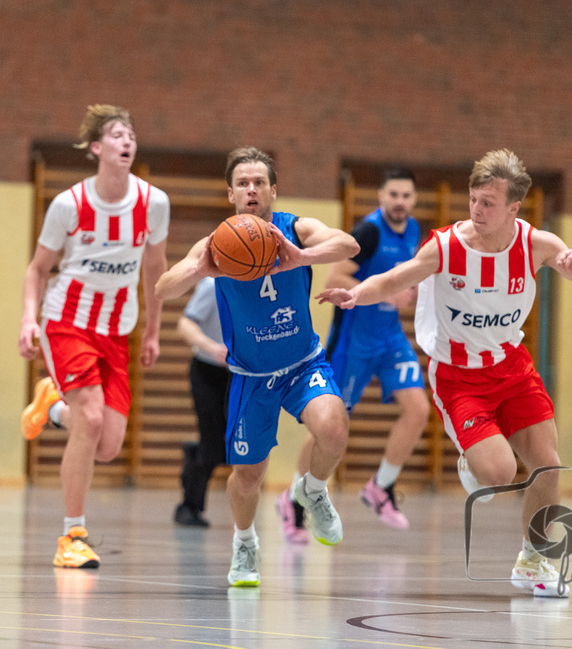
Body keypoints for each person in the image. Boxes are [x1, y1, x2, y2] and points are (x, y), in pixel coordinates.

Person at [318, 149, 572, 597]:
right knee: (498, 474)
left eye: (488, 203)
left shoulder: (536, 245)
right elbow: (396, 278)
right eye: (474, 199)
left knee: (548, 466)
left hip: (512, 369)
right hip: (458, 377)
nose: (477, 209)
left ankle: (534, 561)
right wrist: (357, 294)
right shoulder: (446, 246)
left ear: (514, 207)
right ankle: (471, 457)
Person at [156, 146, 359, 587]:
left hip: (303, 365)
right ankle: (245, 542)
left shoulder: (295, 228)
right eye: (243, 183)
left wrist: (301, 257)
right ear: (230, 194)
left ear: (273, 190)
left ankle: (312, 490)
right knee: (248, 476)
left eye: (259, 182)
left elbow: (348, 243)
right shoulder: (216, 246)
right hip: (251, 377)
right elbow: (163, 288)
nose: (252, 189)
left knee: (334, 428)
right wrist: (199, 270)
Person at [18, 104, 170, 569]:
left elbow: (156, 267)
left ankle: (52, 405)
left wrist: (153, 328)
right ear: (97, 148)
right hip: (67, 321)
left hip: (117, 329)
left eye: (132, 135)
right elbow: (38, 269)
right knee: (90, 417)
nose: (127, 141)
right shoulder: (69, 204)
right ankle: (72, 536)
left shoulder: (154, 203)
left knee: (107, 445)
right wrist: (28, 319)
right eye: (118, 135)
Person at [278, 167, 431, 538]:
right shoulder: (369, 232)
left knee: (419, 409)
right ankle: (294, 499)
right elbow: (336, 279)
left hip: (390, 339)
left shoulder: (413, 231)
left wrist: (411, 292)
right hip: (353, 345)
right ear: (381, 197)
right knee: (328, 429)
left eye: (406, 195)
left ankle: (381, 486)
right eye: (393, 194)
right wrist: (383, 293)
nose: (399, 201)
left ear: (414, 199)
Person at [173, 276, 231, 527]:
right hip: (208, 372)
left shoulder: (257, 284)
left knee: (231, 447)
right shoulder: (211, 285)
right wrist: (211, 347)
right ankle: (189, 506)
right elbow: (185, 324)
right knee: (212, 443)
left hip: (238, 374)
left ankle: (194, 453)